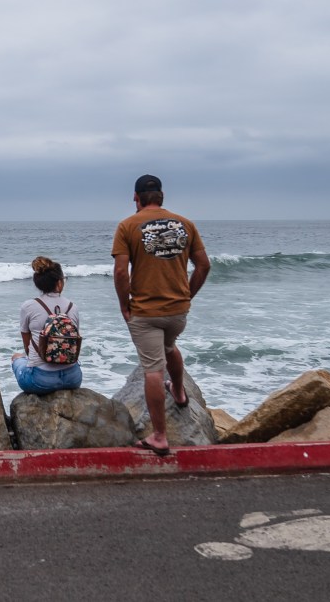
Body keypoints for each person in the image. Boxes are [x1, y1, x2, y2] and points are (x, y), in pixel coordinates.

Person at [112, 174, 210, 456]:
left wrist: (124, 303)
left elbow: (120, 271)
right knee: (169, 347)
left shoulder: (127, 225)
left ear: (136, 198)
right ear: (162, 196)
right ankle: (179, 393)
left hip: (145, 311)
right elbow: (204, 266)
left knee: (152, 370)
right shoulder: (185, 224)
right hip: (177, 311)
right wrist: (188, 295)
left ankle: (159, 436)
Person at [11, 256, 83, 394]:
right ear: (59, 283)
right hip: (73, 378)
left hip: (40, 381)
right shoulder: (73, 307)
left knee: (16, 358)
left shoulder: (29, 306)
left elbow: (27, 345)